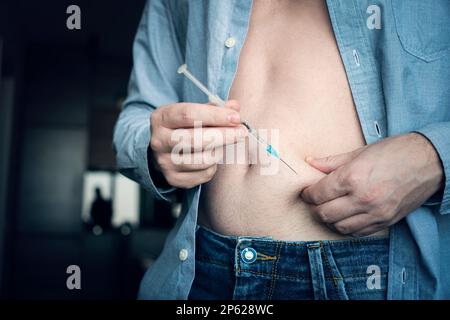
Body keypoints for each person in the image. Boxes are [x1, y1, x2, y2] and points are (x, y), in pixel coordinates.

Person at [113, 0, 450, 299]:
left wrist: (433, 158)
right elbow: (138, 116)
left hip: (362, 274)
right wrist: (156, 149)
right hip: (200, 268)